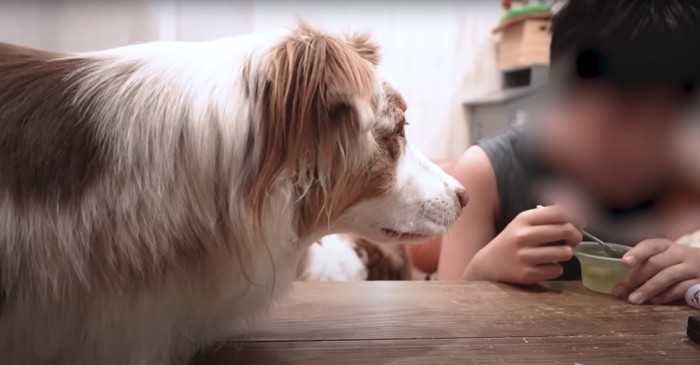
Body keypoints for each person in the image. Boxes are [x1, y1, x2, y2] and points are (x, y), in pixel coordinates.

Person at [437, 0, 700, 305]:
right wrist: (482, 272)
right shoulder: (486, 173)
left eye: (664, 122)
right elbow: (447, 312)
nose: (639, 146)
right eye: (622, 116)